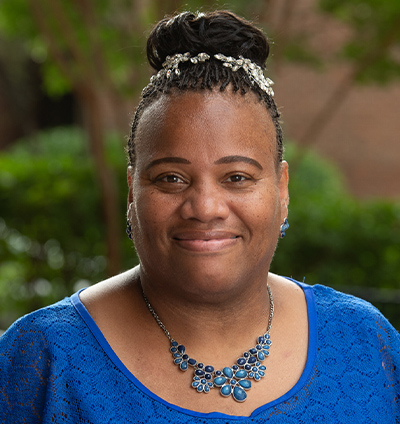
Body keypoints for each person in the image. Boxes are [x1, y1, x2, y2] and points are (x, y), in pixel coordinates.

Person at [1, 10, 399, 423]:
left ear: (281, 190)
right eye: (171, 178)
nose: (206, 207)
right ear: (132, 191)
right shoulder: (43, 359)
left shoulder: (366, 344)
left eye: (237, 177)